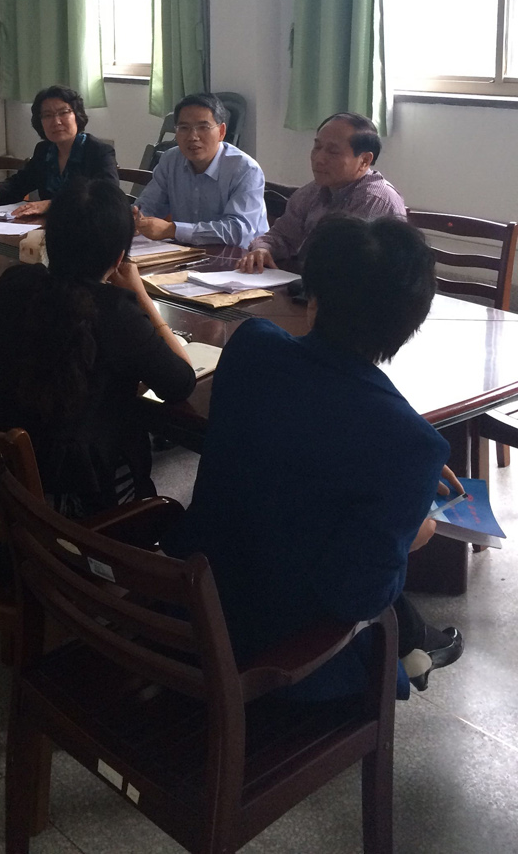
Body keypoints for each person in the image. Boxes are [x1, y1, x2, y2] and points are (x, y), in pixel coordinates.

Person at [161, 215, 464, 699]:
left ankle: (417, 651)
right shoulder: (411, 444)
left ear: (314, 298)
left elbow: (304, 434)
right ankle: (413, 654)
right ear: (409, 327)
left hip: (188, 607)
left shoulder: (251, 346)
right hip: (277, 662)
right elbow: (357, 598)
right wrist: (413, 534)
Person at [0, 178, 197, 516]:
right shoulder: (116, 312)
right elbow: (181, 382)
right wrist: (141, 296)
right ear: (119, 257)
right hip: (59, 513)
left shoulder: (14, 281)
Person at [237, 112, 405, 274]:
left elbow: (349, 266)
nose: (319, 158)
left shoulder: (374, 200)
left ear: (365, 160)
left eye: (333, 151)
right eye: (317, 147)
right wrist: (263, 249)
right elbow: (282, 236)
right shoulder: (312, 192)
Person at [133, 92, 268, 247]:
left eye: (203, 127)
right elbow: (148, 206)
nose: (193, 137)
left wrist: (173, 230)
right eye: (184, 128)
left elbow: (238, 231)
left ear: (221, 132)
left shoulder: (245, 169)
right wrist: (136, 220)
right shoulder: (170, 160)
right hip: (187, 253)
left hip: (239, 257)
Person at [0, 85, 118, 218]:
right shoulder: (44, 150)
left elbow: (107, 198)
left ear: (77, 115)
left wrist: (50, 204)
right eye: (47, 115)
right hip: (47, 227)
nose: (56, 122)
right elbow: (21, 182)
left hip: (87, 228)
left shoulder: (99, 151)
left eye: (63, 113)